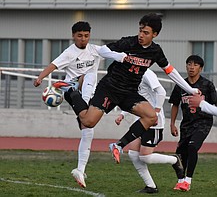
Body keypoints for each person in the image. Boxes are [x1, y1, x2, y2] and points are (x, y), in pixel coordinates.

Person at [68, 13, 200, 166]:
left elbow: (170, 71)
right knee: (88, 122)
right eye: (140, 31)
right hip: (110, 88)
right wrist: (119, 56)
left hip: (129, 92)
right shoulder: (128, 43)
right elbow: (102, 50)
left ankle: (118, 145)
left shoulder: (155, 51)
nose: (141, 35)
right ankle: (71, 91)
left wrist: (190, 90)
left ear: (155, 34)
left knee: (151, 117)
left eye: (146, 33)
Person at [34, 21, 102, 188]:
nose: (83, 39)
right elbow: (53, 65)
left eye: (86, 36)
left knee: (88, 132)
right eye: (79, 36)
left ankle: (80, 169)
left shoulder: (95, 50)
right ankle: (65, 85)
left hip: (89, 91)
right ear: (73, 36)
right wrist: (40, 77)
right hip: (73, 92)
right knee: (87, 77)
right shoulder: (69, 53)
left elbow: (112, 52)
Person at [115, 68, 184, 194]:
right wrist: (123, 114)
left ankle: (174, 160)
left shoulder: (146, 73)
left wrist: (156, 112)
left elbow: (161, 92)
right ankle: (151, 186)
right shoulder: (131, 74)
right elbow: (135, 99)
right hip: (140, 121)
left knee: (145, 157)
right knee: (133, 153)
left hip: (154, 123)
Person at [169, 55, 217, 191]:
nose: (191, 67)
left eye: (195, 65)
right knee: (179, 155)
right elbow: (175, 104)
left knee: (192, 147)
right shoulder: (181, 85)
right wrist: (172, 124)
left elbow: (215, 104)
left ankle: (188, 181)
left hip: (203, 122)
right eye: (189, 64)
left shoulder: (207, 85)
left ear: (200, 68)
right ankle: (180, 181)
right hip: (186, 124)